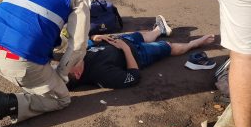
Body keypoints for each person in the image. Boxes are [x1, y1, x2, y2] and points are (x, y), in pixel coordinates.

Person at [66, 16, 215, 90]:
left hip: (118, 42)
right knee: (167, 46)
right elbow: (133, 77)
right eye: (70, 63)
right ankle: (195, 43)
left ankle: (158, 30)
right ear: (78, 74)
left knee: (141, 35)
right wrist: (125, 49)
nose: (70, 59)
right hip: (137, 54)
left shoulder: (79, 59)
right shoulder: (103, 76)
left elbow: (86, 43)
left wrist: (95, 37)